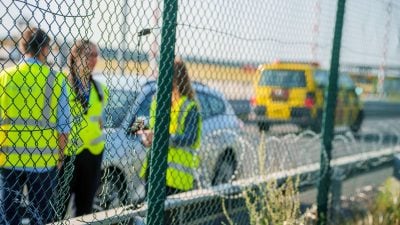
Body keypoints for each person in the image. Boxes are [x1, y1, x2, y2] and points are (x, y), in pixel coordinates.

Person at [0, 27, 70, 224]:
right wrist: (60, 156)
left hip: (9, 159)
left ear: (22, 47)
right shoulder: (55, 79)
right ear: (45, 49)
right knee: (41, 216)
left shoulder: (5, 76)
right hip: (42, 161)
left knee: (8, 215)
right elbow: (64, 126)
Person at [138, 60, 202, 223]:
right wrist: (144, 135)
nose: (159, 79)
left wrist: (162, 138)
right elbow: (141, 123)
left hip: (176, 177)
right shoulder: (157, 101)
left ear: (174, 78)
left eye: (163, 75)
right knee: (152, 218)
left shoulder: (189, 107)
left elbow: (190, 137)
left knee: (168, 221)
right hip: (154, 169)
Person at [60, 40, 108, 217]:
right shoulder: (62, 85)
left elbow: (100, 121)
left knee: (84, 211)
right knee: (59, 207)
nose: (94, 59)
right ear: (75, 57)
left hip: (92, 155)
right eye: (89, 55)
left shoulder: (101, 90)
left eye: (96, 55)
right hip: (67, 154)